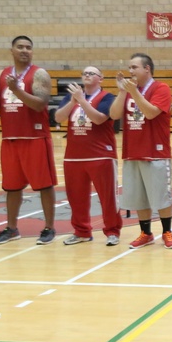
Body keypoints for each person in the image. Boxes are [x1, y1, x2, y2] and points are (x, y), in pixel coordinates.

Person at [0, 36, 58, 245]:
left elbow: (40, 105)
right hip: (10, 138)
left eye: (28, 48)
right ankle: (12, 228)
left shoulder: (39, 74)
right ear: (11, 50)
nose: (25, 50)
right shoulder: (0, 75)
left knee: (44, 185)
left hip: (35, 137)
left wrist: (17, 90)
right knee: (12, 187)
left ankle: (49, 227)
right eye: (20, 47)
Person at [109, 53, 172, 250]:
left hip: (156, 152)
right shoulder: (129, 90)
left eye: (134, 67)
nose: (130, 71)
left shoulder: (161, 88)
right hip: (132, 151)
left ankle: (167, 232)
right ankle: (146, 233)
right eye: (129, 67)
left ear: (147, 69)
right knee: (139, 197)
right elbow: (114, 115)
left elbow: (150, 112)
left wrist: (134, 93)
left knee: (161, 196)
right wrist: (122, 91)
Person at [53, 66, 122, 246]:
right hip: (74, 156)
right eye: (85, 73)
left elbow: (99, 118)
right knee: (76, 198)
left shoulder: (107, 97)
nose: (87, 75)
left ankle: (112, 231)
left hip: (101, 155)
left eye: (92, 73)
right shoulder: (72, 96)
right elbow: (59, 118)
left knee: (108, 197)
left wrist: (82, 101)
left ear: (101, 78)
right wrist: (73, 101)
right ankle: (82, 231)